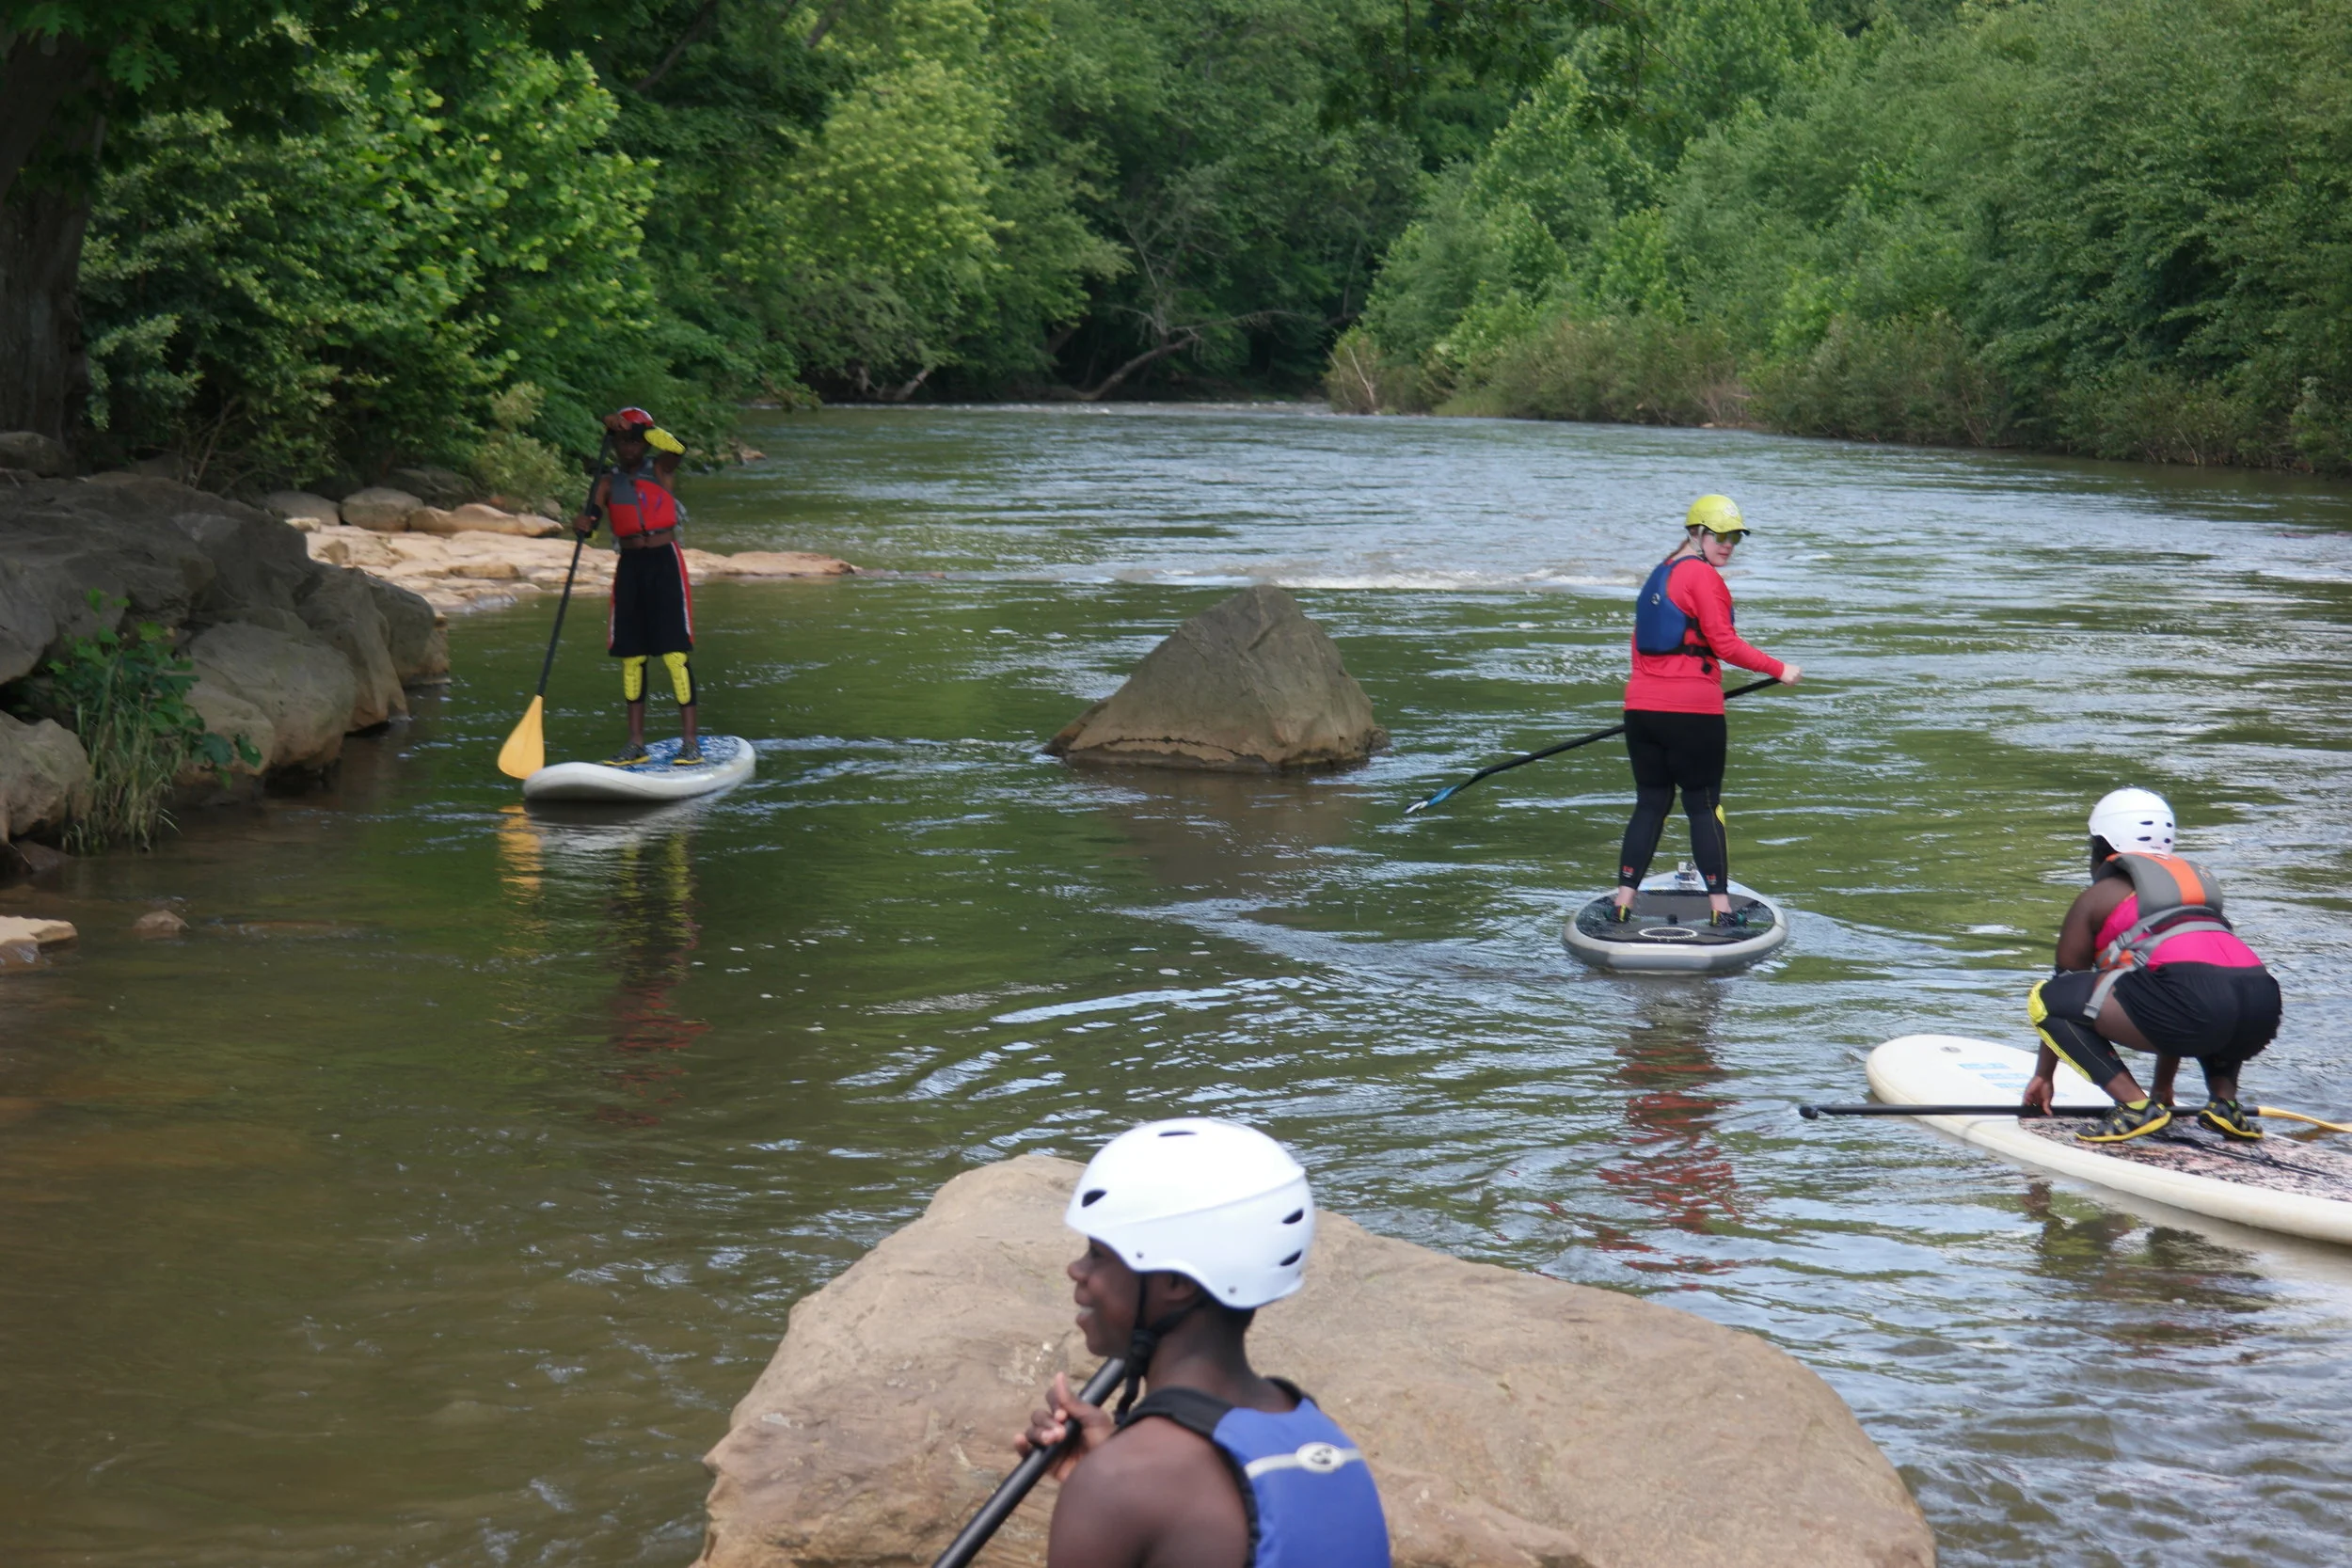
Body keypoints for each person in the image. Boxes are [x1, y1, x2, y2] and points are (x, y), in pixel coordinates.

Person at [1014, 1118, 1391, 1568]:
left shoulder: (1121, 1481)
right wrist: (1120, 1458)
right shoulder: (1325, 1442)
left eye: (1098, 1253)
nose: (1076, 1269)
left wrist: (1109, 1483)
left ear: (1177, 1283)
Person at [2024, 788, 2281, 1142]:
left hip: (2192, 1006)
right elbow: (2177, 984)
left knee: (2045, 999)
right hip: (2260, 1010)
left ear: (2102, 846)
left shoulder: (2098, 897)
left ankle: (2134, 1106)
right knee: (2201, 995)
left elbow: (2062, 990)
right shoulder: (2195, 893)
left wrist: (2044, 1075)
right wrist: (2163, 1089)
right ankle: (2225, 1105)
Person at [1611, 495, 1801, 927]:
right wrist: (1779, 669)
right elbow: (1724, 643)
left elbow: (1638, 647)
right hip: (1694, 712)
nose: (1728, 544)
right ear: (1696, 533)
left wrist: (1653, 700)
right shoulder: (1702, 576)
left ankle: (1623, 902)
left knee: (1650, 803)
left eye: (1735, 537)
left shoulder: (1657, 576)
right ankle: (1720, 911)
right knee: (1704, 804)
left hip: (1640, 711)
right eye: (1720, 536)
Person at [575, 406, 703, 767]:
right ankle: (635, 744)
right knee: (632, 657)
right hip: (630, 567)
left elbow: (677, 447)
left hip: (665, 563)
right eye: (622, 442)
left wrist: (638, 426)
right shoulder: (605, 482)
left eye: (634, 441)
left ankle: (690, 743)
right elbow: (592, 522)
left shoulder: (661, 468)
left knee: (675, 655)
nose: (628, 448)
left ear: (644, 443)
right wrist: (583, 524)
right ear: (614, 444)